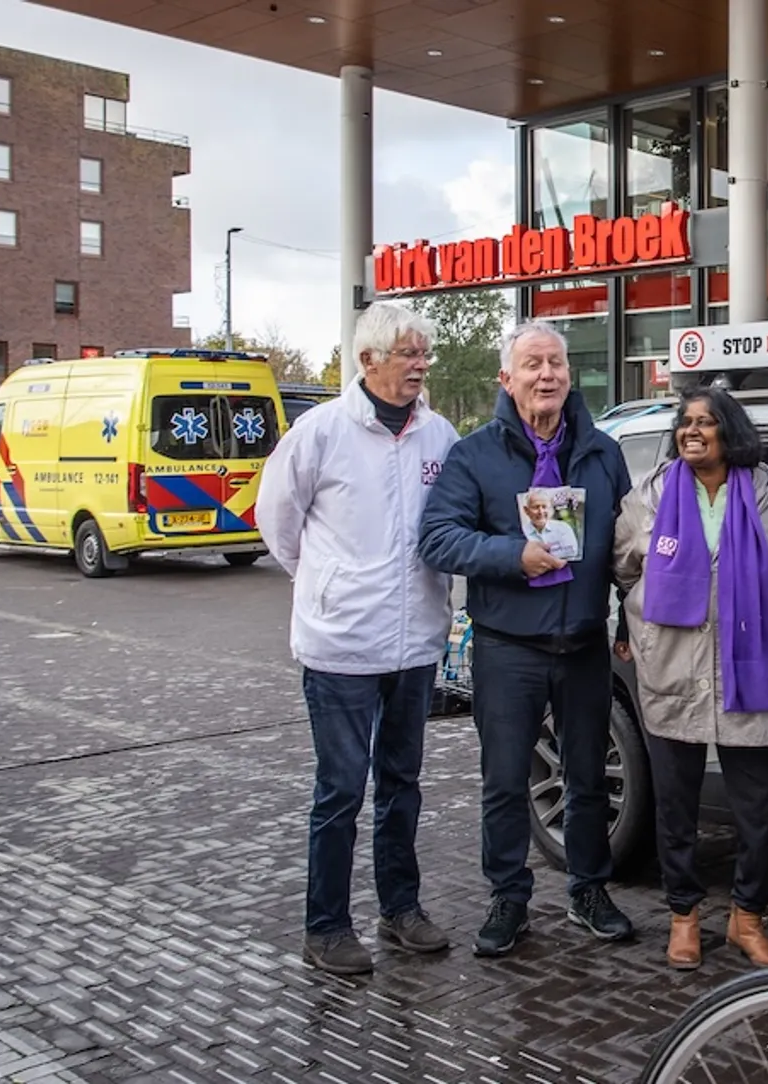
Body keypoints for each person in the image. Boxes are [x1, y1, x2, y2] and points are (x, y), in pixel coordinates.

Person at [417, 319, 635, 957]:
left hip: (584, 640)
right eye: (533, 365)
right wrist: (514, 555)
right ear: (506, 379)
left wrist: (628, 613)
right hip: (508, 643)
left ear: (571, 375)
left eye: (557, 365)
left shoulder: (602, 452)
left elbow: (628, 541)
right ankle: (509, 898)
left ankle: (588, 890)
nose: (548, 376)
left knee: (588, 775)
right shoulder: (474, 454)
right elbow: (437, 537)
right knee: (506, 779)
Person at [254, 301, 459, 975]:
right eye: (408, 353)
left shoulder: (439, 437)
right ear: (369, 359)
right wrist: (326, 583)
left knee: (403, 782)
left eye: (424, 354)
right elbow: (277, 522)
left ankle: (401, 910)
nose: (421, 365)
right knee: (341, 789)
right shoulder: (320, 433)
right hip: (341, 645)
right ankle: (327, 927)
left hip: (415, 643)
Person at [612, 386, 768, 971]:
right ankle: (684, 916)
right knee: (675, 806)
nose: (692, 431)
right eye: (685, 422)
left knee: (759, 808)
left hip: (749, 670)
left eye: (706, 422)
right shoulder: (652, 494)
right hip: (672, 669)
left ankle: (747, 918)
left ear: (730, 432)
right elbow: (622, 566)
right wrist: (641, 626)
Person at [521, 490, 579, 559]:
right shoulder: (521, 532)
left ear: (550, 510)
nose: (541, 512)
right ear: (526, 510)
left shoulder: (563, 528)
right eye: (536, 507)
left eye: (544, 507)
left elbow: (572, 550)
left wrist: (539, 555)